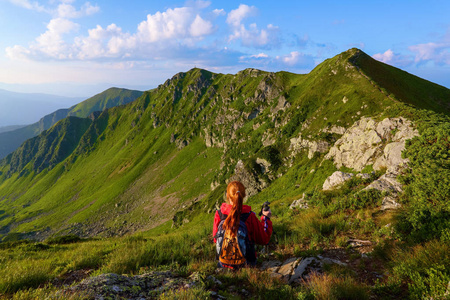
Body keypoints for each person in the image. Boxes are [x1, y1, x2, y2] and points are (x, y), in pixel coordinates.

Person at [213, 180, 273, 269]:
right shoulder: (249, 216)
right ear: (244, 195)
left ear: (227, 196)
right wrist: (266, 218)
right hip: (246, 264)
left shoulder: (219, 214)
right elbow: (263, 239)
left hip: (223, 263)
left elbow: (215, 239)